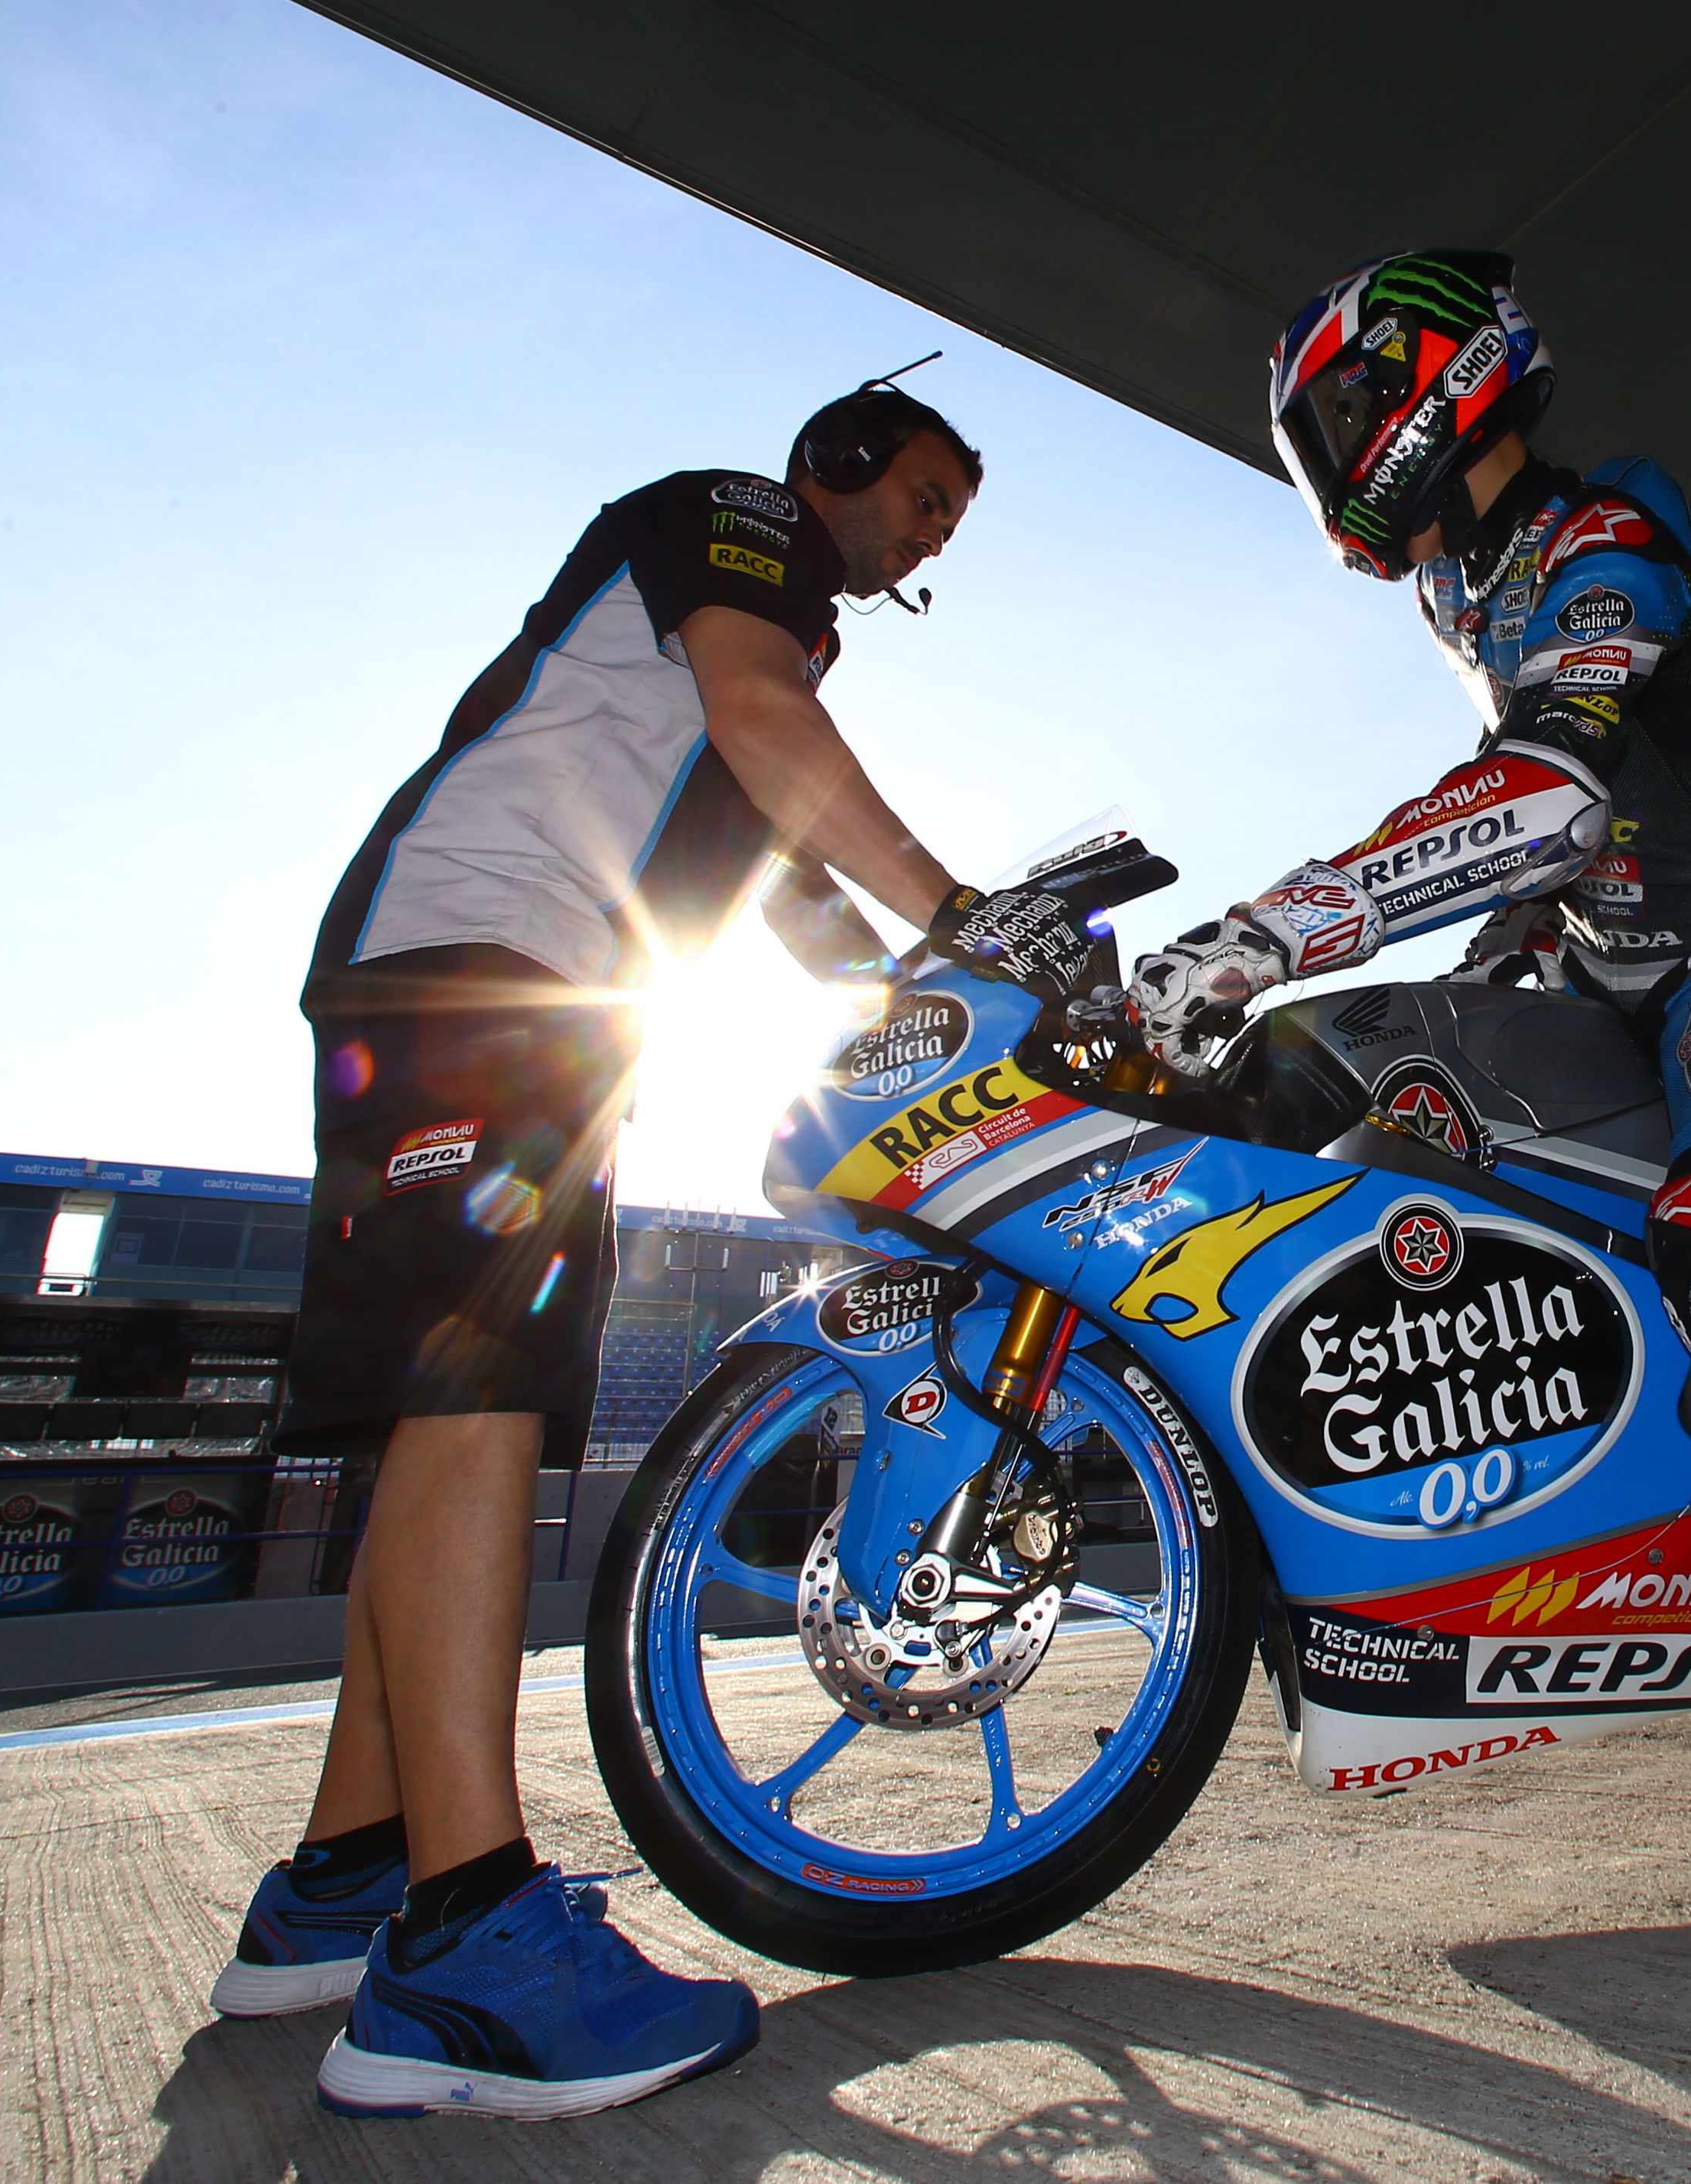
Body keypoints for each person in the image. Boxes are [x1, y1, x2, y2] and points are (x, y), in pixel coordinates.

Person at [210, 374, 1096, 2120]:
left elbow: (787, 888)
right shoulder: (734, 528)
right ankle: (464, 1945)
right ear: (840, 464)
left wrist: (935, 989)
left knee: (442, 1418)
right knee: (477, 1402)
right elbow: (771, 733)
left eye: (949, 523)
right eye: (924, 495)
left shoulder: (772, 656)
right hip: (484, 956)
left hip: (531, 997)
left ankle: (347, 1880)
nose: (932, 537)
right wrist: (973, 916)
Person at [1127, 250, 1691, 1913]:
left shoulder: (1611, 536)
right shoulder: (1466, 587)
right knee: (1343, 1090)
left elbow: (1558, 784)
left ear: (1430, 383)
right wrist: (1470, 939)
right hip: (1591, 972)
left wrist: (1266, 927)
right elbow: (1551, 826)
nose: (1329, 456)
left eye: (1336, 416)